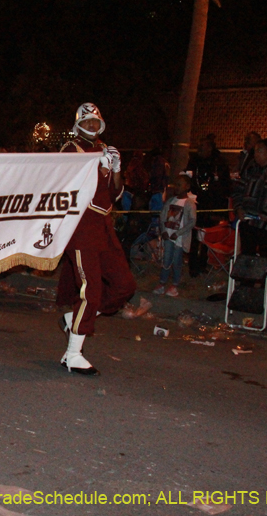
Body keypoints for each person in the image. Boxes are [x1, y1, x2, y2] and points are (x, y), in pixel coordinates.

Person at [55, 103, 136, 376]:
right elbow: (65, 185)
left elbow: (114, 193)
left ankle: (75, 318)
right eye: (86, 122)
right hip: (80, 227)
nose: (91, 126)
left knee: (124, 285)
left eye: (95, 122)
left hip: (103, 225)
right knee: (90, 290)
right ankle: (72, 354)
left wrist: (115, 167)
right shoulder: (71, 150)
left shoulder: (105, 149)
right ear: (78, 124)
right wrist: (92, 166)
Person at [185, 134, 231, 276]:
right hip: (196, 202)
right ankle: (193, 265)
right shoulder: (194, 162)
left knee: (206, 235)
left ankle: (203, 263)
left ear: (210, 147)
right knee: (194, 234)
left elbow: (224, 185)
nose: (199, 148)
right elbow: (188, 177)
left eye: (203, 146)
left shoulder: (218, 163)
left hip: (211, 203)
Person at [153, 174, 196, 297]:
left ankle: (175, 284)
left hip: (180, 239)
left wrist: (178, 233)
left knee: (177, 261)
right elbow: (162, 217)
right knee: (166, 260)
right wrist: (164, 231)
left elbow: (192, 222)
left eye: (179, 184)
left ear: (187, 186)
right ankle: (162, 283)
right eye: (176, 184)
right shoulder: (171, 201)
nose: (176, 187)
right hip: (169, 236)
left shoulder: (189, 204)